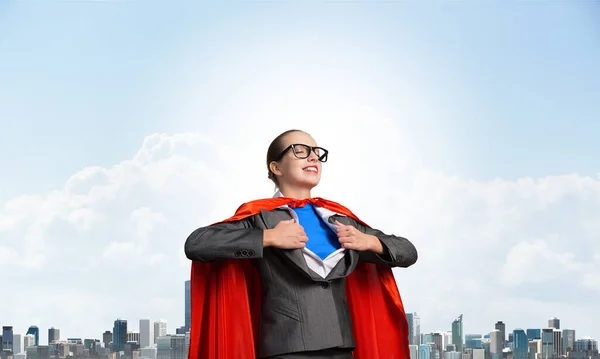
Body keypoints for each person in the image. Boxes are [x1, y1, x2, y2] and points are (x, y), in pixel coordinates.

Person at [184, 129, 418, 359]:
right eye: (301, 151)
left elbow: (408, 252)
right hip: (286, 347)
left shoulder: (340, 218)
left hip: (343, 347)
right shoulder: (259, 217)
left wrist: (369, 241)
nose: (313, 157)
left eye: (316, 152)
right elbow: (197, 244)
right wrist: (268, 238)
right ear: (276, 167)